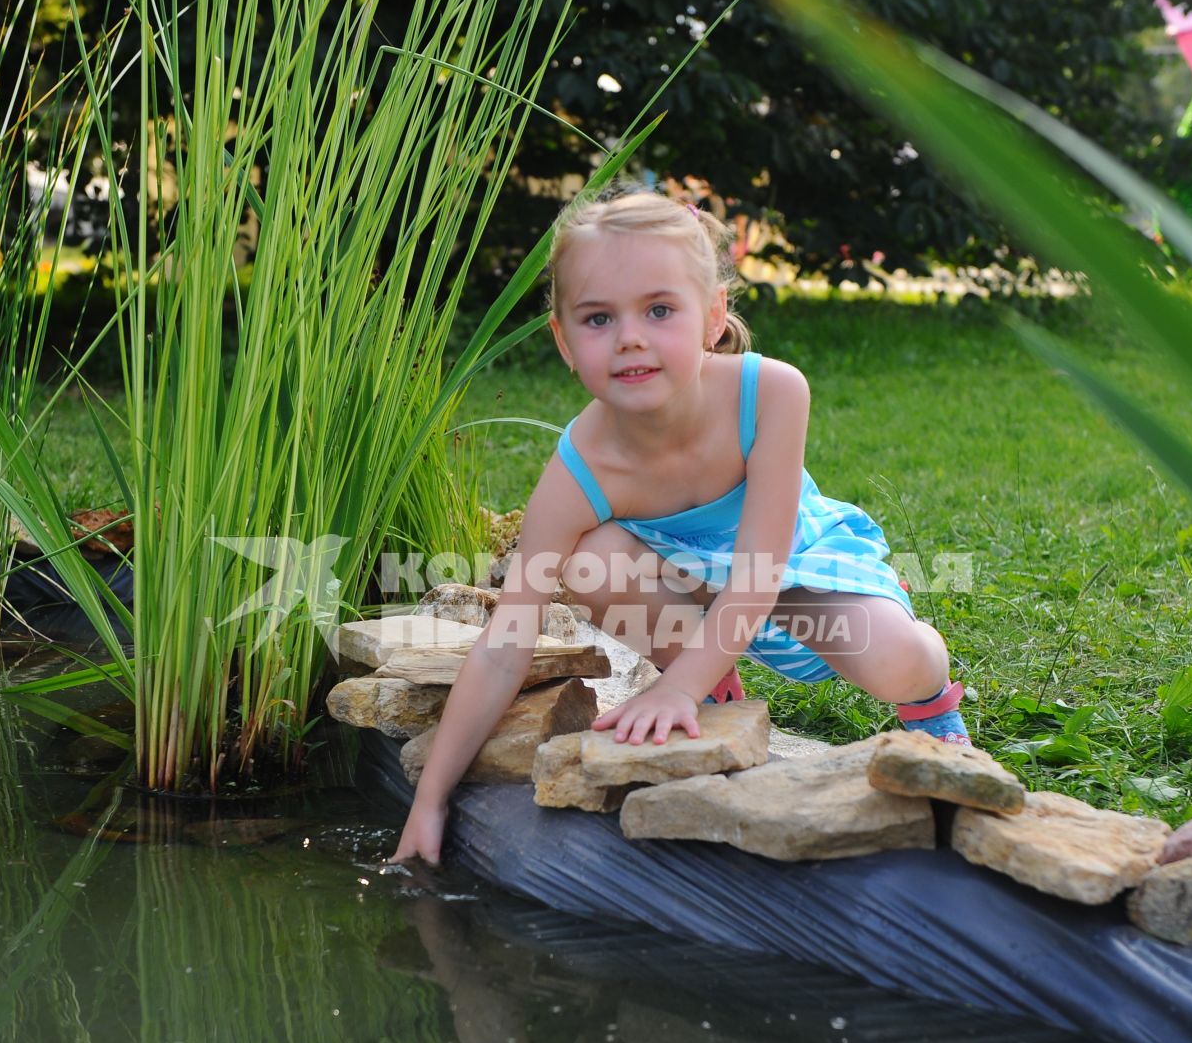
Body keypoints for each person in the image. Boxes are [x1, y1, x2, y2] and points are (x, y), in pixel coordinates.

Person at [390, 190, 968, 866]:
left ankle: (926, 695)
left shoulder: (771, 392)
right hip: (687, 585)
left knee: (896, 659)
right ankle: (711, 680)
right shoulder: (580, 471)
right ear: (565, 342)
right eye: (598, 317)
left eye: (659, 310)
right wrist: (430, 799)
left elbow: (759, 576)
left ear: (713, 318)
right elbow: (503, 643)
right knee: (588, 559)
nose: (630, 336)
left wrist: (673, 687)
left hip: (790, 567)